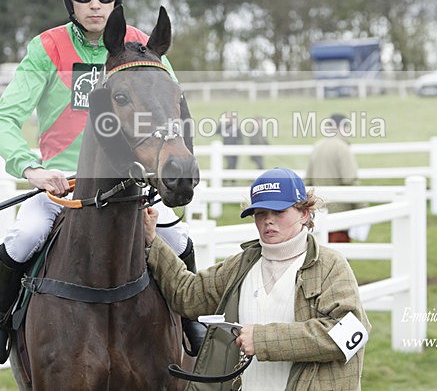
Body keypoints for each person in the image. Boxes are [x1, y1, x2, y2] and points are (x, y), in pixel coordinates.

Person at [0, 0, 203, 364]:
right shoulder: (47, 49)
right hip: (63, 186)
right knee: (23, 238)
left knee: (178, 236)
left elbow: (173, 109)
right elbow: (2, 120)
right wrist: (33, 170)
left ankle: (190, 319)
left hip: (131, 186)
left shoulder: (143, 47)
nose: (95, 2)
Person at [143, 168, 370, 390]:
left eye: (279, 212)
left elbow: (349, 334)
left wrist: (263, 340)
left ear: (305, 213)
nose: (268, 221)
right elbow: (188, 295)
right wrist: (153, 240)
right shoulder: (241, 265)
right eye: (261, 213)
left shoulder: (331, 266)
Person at [305, 113, 367, 243]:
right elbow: (350, 181)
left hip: (318, 213)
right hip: (339, 214)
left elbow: (308, 181)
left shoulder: (317, 147)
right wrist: (362, 209)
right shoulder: (342, 148)